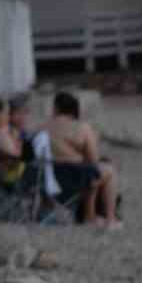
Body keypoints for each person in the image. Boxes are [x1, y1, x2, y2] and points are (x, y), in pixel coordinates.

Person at [44, 91, 122, 228]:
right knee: (107, 170)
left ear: (56, 108)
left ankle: (90, 216)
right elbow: (93, 159)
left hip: (48, 178)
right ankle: (109, 218)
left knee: (92, 173)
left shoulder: (44, 127)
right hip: (76, 178)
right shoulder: (81, 128)